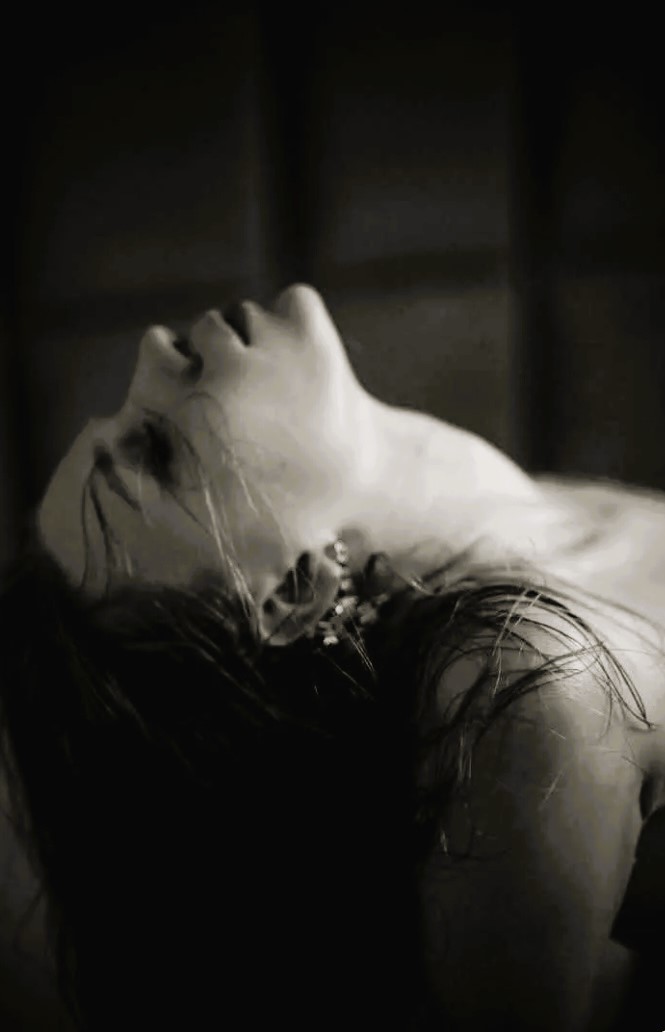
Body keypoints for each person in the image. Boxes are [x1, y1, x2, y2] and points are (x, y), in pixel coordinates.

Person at [0, 284, 663, 1030]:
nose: (154, 347)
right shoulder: (525, 687)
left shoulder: (530, 515)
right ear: (293, 593)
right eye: (157, 449)